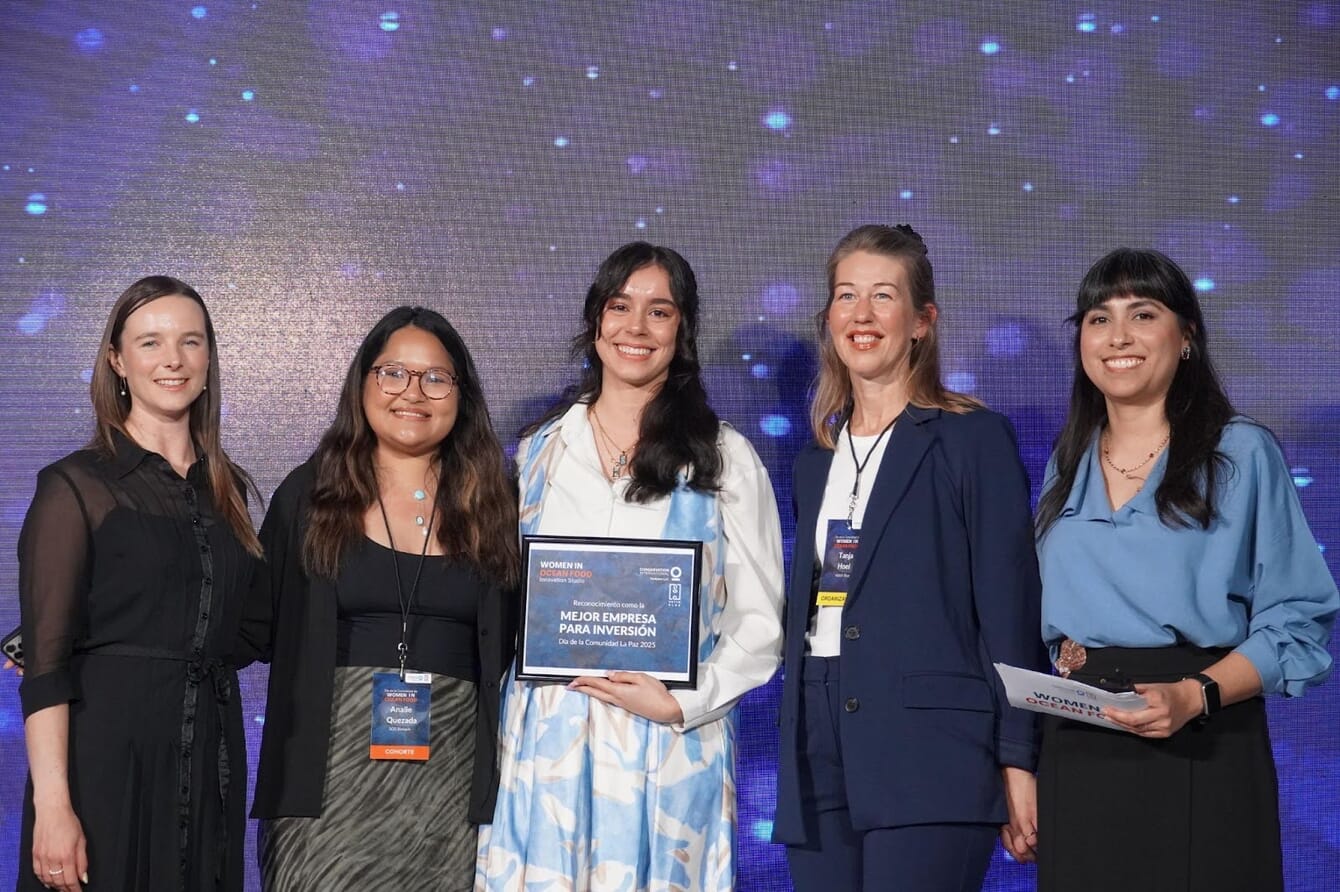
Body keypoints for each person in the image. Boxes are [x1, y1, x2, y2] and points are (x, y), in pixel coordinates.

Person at [476, 242, 785, 891]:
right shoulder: (540, 453)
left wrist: (683, 704)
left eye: (659, 312)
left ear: (683, 330)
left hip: (669, 741)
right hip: (549, 747)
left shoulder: (724, 459)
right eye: (621, 307)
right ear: (596, 321)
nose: (636, 329)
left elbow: (760, 622)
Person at [1033, 248, 1338, 891]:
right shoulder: (1067, 465)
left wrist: (1194, 694)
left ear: (1187, 336)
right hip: (1080, 743)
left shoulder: (1241, 452)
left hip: (1201, 733)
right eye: (1098, 317)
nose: (1117, 336)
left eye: (1142, 313)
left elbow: (1299, 619)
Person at [771, 224, 1049, 891]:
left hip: (932, 752)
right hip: (818, 748)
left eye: (883, 297)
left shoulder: (970, 437)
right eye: (846, 296)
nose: (861, 316)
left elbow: (1008, 609)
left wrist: (1018, 758)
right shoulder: (816, 460)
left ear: (923, 321)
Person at [246, 307, 518, 891]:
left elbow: (541, 634)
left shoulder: (500, 503)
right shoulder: (309, 494)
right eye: (393, 373)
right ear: (363, 383)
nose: (413, 393)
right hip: (323, 789)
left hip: (450, 786)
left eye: (436, 378)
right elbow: (243, 621)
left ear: (461, 394)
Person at [15, 276, 262, 891]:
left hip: (209, 760)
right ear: (117, 361)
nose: (173, 360)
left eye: (191, 342)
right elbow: (46, 664)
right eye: (150, 343)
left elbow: (246, 627)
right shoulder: (75, 486)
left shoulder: (227, 490)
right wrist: (53, 807)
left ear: (208, 359)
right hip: (106, 764)